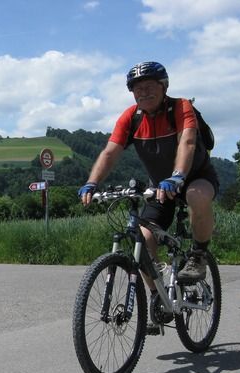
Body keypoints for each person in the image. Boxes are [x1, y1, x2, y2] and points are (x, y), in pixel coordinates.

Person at [78, 61, 219, 288]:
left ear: (163, 86)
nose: (144, 92)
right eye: (137, 88)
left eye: (150, 85)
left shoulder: (181, 107)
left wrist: (177, 176)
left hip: (195, 177)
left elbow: (188, 142)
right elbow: (110, 153)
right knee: (142, 238)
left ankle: (198, 256)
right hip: (159, 186)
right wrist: (91, 182)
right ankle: (158, 296)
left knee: (196, 196)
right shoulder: (131, 117)